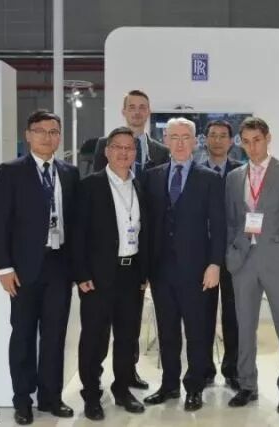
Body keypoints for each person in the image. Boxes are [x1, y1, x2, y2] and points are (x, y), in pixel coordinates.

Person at [0, 110, 79, 425]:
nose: (47, 137)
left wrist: (78, 268)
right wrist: (4, 267)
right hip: (24, 268)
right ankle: (22, 400)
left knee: (55, 336)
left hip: (59, 266)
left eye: (53, 131)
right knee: (24, 336)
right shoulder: (10, 172)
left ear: (59, 137)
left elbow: (76, 223)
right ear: (28, 135)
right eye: (40, 130)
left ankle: (51, 397)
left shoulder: (70, 173)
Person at [142, 117, 225, 411]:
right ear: (165, 140)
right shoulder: (152, 177)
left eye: (185, 137)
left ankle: (194, 387)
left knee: (198, 332)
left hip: (198, 270)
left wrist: (215, 264)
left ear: (194, 141)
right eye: (174, 137)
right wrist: (145, 269)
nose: (179, 143)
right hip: (161, 271)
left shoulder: (209, 178)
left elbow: (219, 225)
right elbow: (147, 226)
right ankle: (169, 385)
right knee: (167, 332)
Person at [225, 117, 279, 415]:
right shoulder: (234, 177)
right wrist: (231, 253)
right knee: (245, 326)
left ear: (267, 138)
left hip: (276, 259)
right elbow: (231, 220)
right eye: (246, 142)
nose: (252, 147)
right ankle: (247, 384)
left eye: (256, 140)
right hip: (243, 262)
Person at [93, 89, 169, 390]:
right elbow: (94, 196)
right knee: (100, 328)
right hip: (107, 252)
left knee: (130, 323)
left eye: (142, 107)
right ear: (123, 111)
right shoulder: (103, 145)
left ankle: (129, 372)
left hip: (139, 249)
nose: (137, 112)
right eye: (132, 107)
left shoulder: (160, 151)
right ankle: (94, 380)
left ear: (148, 112)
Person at [72, 127, 149, 421]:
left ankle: (122, 389)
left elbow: (145, 232)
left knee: (127, 336)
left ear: (135, 153)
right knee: (95, 337)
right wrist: (81, 274)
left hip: (131, 274)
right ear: (107, 151)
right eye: (118, 147)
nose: (123, 152)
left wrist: (144, 273)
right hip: (97, 275)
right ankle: (91, 393)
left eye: (129, 148)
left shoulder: (139, 185)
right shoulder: (89, 186)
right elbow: (77, 234)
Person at [201, 120, 243, 390]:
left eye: (222, 136)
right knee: (203, 315)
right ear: (205, 139)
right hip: (203, 256)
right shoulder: (195, 171)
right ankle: (204, 369)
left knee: (233, 315)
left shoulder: (241, 172)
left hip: (234, 255)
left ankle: (232, 370)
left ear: (231, 140)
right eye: (212, 135)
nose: (217, 140)